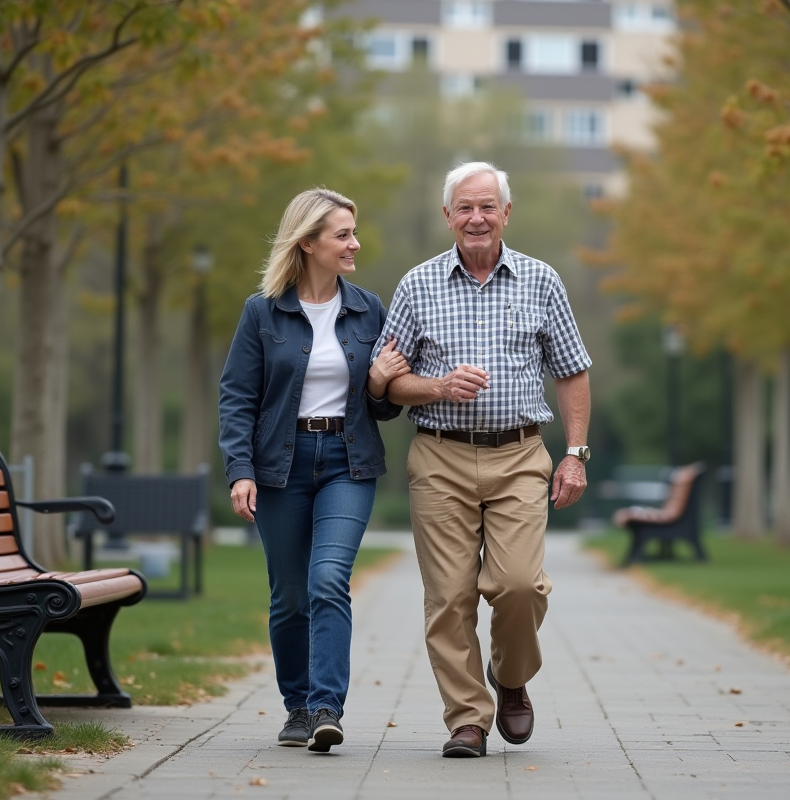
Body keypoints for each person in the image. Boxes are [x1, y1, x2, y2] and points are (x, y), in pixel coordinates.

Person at [378, 162, 592, 758]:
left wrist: (574, 454)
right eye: (464, 208)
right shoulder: (416, 286)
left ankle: (512, 675)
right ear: (448, 217)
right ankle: (467, 719)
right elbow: (386, 384)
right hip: (440, 457)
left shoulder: (541, 280)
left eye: (487, 206)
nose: (476, 218)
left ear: (505, 213)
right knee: (449, 596)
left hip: (522, 453)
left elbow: (573, 371)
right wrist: (438, 387)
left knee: (519, 584)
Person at [218, 188, 408, 753]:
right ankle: (297, 707)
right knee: (290, 595)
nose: (355, 243)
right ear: (307, 243)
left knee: (328, 580)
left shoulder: (368, 308)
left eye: (354, 231)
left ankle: (328, 706)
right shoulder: (262, 311)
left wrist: (377, 384)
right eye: (342, 234)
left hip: (348, 463)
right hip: (280, 466)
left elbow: (385, 403)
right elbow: (237, 397)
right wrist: (240, 469)